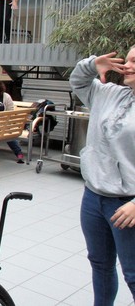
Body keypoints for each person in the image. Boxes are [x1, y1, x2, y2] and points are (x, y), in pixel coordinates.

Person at [69, 47, 135, 305]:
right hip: (93, 197)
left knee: (132, 274)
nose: (127, 65)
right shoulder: (106, 93)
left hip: (125, 205)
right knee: (100, 264)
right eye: (127, 60)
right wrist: (93, 63)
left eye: (134, 61)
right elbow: (78, 80)